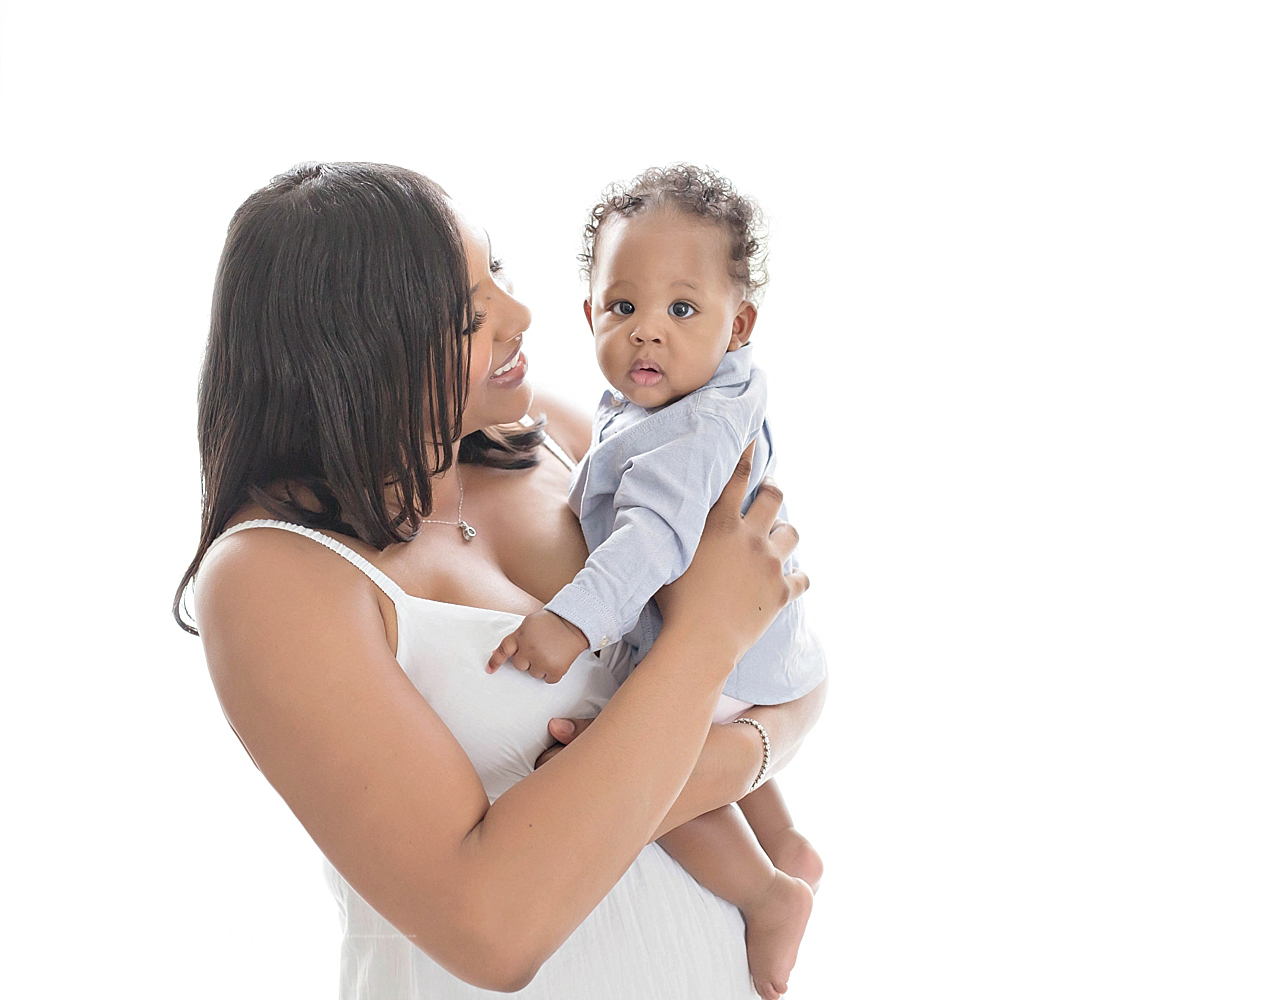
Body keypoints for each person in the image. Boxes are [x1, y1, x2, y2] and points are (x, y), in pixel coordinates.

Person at [173, 161, 827, 999]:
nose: (522, 317)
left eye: (500, 274)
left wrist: (718, 758)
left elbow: (790, 660)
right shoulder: (271, 577)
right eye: (465, 317)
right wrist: (702, 648)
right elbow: (494, 931)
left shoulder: (560, 435)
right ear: (357, 356)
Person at [495, 165, 823, 999]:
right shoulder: (687, 386)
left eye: (682, 310)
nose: (648, 333)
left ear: (738, 322)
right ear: (590, 314)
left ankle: (767, 892)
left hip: (725, 644)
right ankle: (786, 844)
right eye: (623, 307)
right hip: (760, 646)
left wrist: (569, 624)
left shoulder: (691, 428)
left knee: (632, 771)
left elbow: (655, 540)